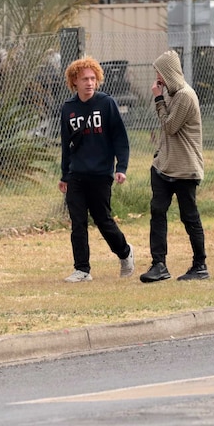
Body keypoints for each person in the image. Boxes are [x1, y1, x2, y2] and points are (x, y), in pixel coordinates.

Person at [59, 56, 134, 282]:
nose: (89, 83)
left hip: (101, 174)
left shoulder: (106, 103)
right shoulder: (68, 109)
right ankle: (82, 269)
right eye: (84, 79)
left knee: (103, 220)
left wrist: (121, 167)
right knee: (78, 223)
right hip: (76, 176)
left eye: (93, 78)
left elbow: (120, 138)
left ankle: (125, 252)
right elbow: (66, 145)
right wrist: (64, 175)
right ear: (74, 82)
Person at [139, 50, 208, 283]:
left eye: (158, 71)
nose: (156, 76)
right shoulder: (171, 93)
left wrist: (158, 99)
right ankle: (159, 264)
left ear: (167, 72)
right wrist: (161, 97)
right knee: (158, 211)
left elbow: (169, 126)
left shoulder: (186, 96)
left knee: (189, 216)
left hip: (185, 167)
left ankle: (200, 265)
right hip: (164, 166)